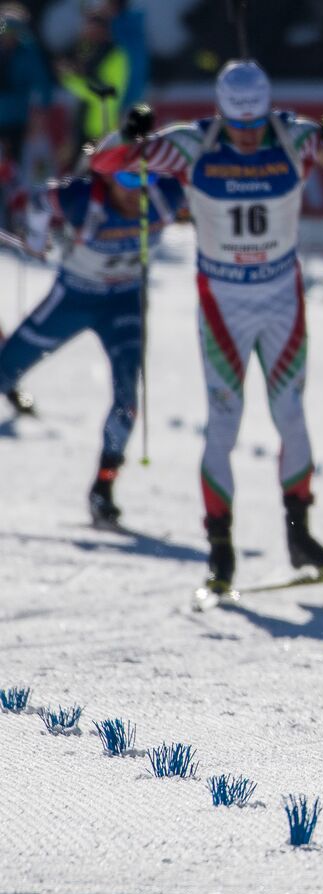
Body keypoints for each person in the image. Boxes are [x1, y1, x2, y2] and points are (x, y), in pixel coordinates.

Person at [91, 61, 323, 596]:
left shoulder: (293, 136)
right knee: (223, 424)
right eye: (238, 127)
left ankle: (301, 537)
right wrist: (129, 134)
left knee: (291, 417)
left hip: (280, 300)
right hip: (223, 304)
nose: (249, 139)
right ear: (222, 112)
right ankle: (220, 551)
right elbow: (110, 163)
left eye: (254, 127)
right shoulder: (191, 145)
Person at [0, 157, 184, 522]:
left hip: (123, 304)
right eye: (126, 181)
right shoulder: (81, 199)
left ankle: (103, 487)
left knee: (127, 400)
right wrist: (37, 236)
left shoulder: (165, 195)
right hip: (73, 299)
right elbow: (39, 201)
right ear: (107, 177)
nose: (137, 192)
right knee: (5, 369)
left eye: (143, 179)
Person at [55, 3, 128, 161]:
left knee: (96, 174)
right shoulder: (88, 50)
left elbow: (104, 93)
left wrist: (70, 79)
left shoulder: (115, 55)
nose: (86, 33)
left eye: (91, 28)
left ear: (102, 30)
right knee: (80, 175)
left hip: (101, 130)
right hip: (82, 126)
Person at [0, 2, 53, 207]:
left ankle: (18, 215)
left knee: (18, 170)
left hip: (17, 119)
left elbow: (42, 86)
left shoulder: (28, 53)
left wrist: (38, 115)